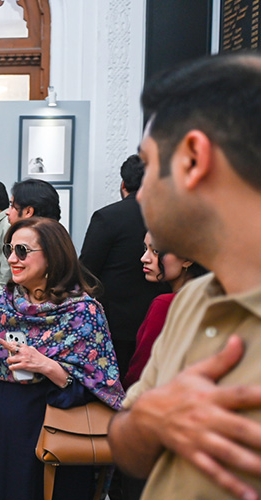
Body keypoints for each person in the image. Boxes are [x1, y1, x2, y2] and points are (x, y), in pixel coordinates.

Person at [108, 54, 261, 500]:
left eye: (150, 165)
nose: (142, 194)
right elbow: (127, 447)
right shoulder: (191, 301)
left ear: (193, 159)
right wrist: (151, 418)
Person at [0, 217, 124, 500]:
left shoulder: (83, 312)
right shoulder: (2, 303)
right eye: (9, 249)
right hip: (3, 429)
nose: (12, 259)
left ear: (52, 256)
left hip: (59, 429)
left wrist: (46, 365)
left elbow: (101, 386)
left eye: (22, 251)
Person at [79, 155, 167, 378]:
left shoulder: (107, 217)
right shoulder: (171, 216)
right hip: (162, 318)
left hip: (114, 325)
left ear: (123, 184)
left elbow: (86, 271)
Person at [123, 232, 207, 390]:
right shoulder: (211, 299)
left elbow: (141, 373)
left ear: (187, 259)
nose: (144, 258)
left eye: (156, 251)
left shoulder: (166, 305)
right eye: (145, 249)